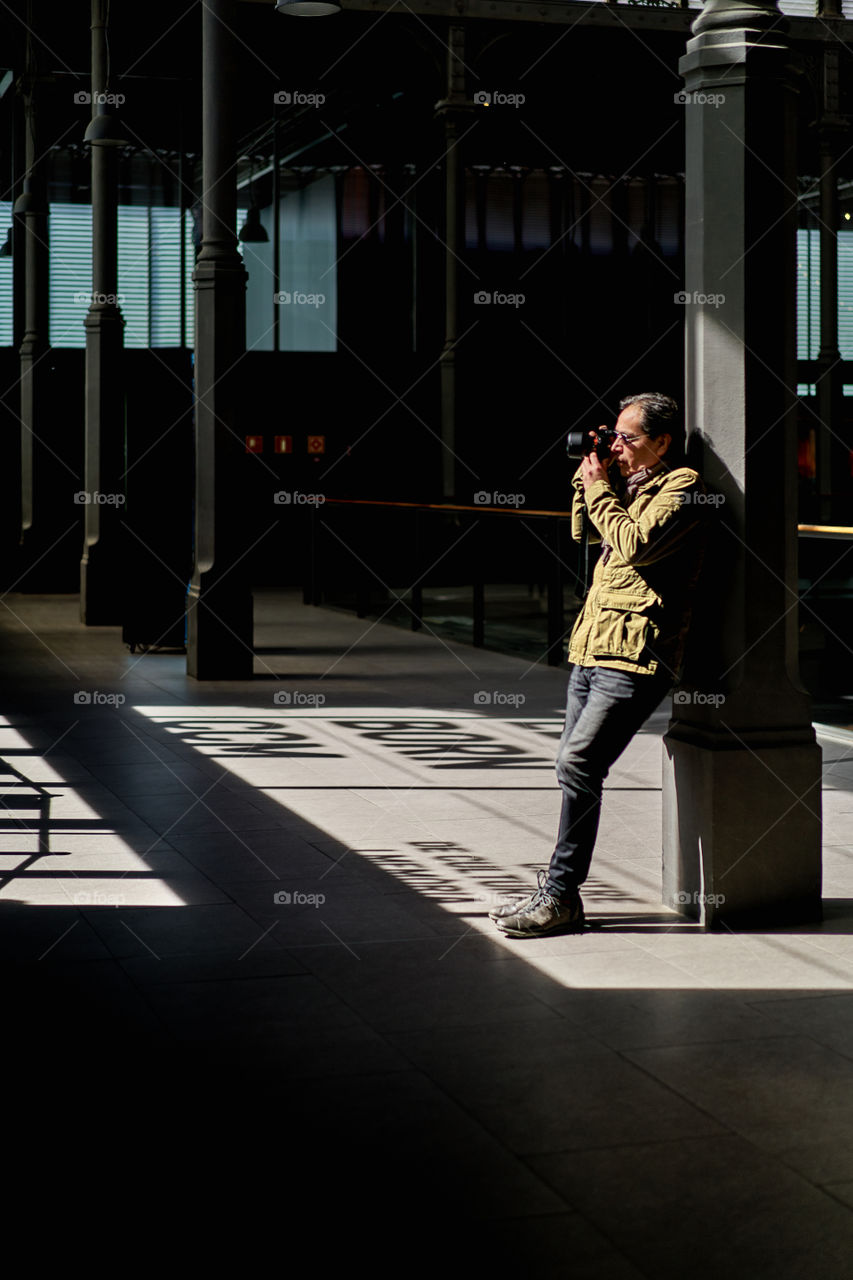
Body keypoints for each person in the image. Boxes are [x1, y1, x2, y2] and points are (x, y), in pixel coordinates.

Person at [491, 391, 707, 938]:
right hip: (593, 647)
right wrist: (590, 484)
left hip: (636, 654)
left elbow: (633, 544)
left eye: (628, 438)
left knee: (579, 766)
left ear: (662, 442)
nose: (617, 445)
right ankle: (560, 894)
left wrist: (598, 489)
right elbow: (585, 534)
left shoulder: (683, 488)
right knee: (572, 768)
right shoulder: (629, 485)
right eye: (615, 434)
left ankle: (561, 896)